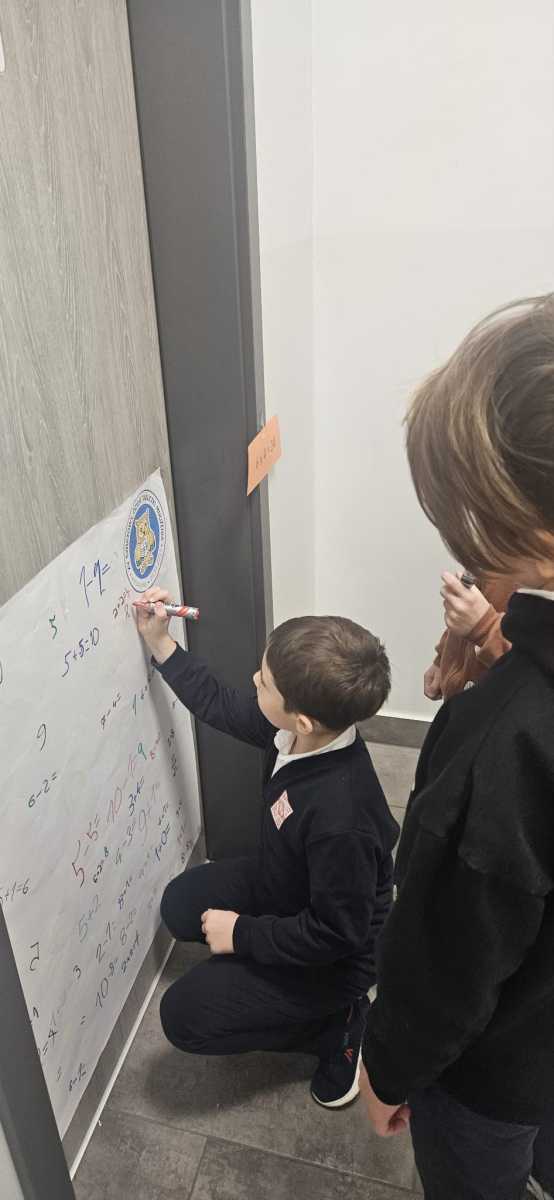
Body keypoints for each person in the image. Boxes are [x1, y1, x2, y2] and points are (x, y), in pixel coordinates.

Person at [360, 294, 554, 1200]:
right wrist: (498, 640)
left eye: (472, 527)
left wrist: (388, 1069)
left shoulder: (500, 747)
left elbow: (445, 957)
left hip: (496, 1071)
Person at [136, 590, 399, 1108]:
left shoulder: (341, 820)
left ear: (303, 719)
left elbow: (335, 934)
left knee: (184, 1017)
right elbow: (219, 704)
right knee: (180, 905)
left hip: (334, 956)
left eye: (266, 681)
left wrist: (242, 934)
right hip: (289, 887)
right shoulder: (301, 735)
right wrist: (161, 643)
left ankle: (337, 1026)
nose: (254, 679)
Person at [424, 571, 516, 702]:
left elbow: (537, 659)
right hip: (460, 696)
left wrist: (486, 627)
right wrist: (441, 658)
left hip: (500, 701)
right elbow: (467, 607)